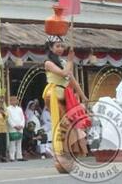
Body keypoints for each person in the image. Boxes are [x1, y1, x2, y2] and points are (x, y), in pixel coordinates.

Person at [43, 35, 89, 173]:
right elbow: (64, 74)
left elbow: (72, 80)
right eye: (57, 46)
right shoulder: (48, 63)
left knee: (71, 126)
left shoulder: (63, 61)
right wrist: (70, 60)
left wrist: (83, 96)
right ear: (51, 47)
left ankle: (67, 156)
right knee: (62, 126)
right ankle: (60, 156)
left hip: (65, 95)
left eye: (62, 46)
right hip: (54, 96)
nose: (60, 49)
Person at [7, 96, 25, 162]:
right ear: (10, 101)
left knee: (19, 142)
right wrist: (14, 126)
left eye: (15, 100)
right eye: (13, 100)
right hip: (13, 128)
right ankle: (12, 157)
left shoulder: (19, 109)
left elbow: (23, 118)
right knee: (12, 143)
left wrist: (21, 125)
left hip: (20, 127)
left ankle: (19, 156)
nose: (14, 101)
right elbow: (9, 119)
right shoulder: (8, 109)